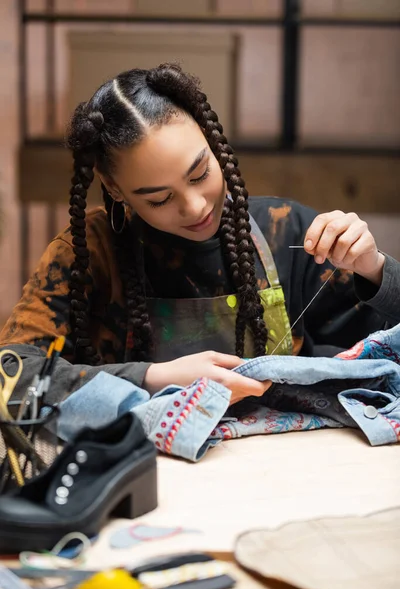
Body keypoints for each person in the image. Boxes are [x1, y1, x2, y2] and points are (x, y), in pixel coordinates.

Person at [1, 63, 399, 405]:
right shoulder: (88, 254)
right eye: (158, 199)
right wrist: (153, 377)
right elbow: (9, 380)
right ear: (115, 188)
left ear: (211, 141)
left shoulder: (285, 228)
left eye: (200, 174)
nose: (195, 207)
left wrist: (375, 269)